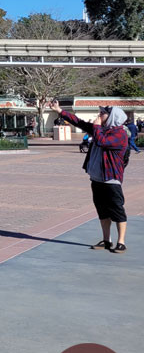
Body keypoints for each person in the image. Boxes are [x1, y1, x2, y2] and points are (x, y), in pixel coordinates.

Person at [50, 101, 129, 254]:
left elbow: (102, 142)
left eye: (103, 113)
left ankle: (121, 242)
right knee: (102, 211)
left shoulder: (119, 134)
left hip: (111, 179)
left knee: (117, 209)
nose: (99, 115)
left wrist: (97, 126)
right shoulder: (100, 130)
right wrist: (59, 110)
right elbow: (79, 122)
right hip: (97, 178)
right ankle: (107, 240)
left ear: (112, 116)